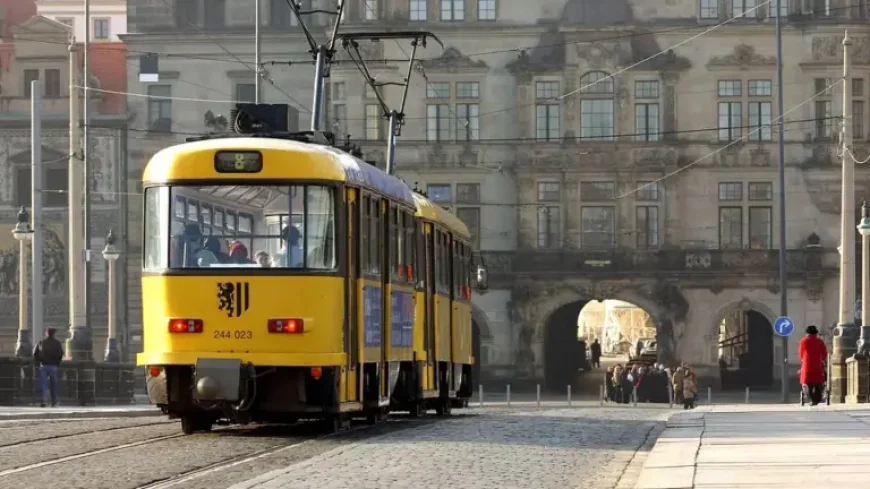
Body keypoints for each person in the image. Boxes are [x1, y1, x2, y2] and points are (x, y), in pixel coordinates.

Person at [33, 327, 64, 407]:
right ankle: (54, 401)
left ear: (46, 333)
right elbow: (60, 354)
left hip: (43, 365)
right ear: (53, 334)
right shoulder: (57, 343)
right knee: (54, 384)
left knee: (43, 384)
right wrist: (57, 363)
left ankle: (44, 400)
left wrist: (38, 362)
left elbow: (35, 353)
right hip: (53, 366)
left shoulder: (41, 342)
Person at [799, 325, 828, 406]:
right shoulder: (820, 341)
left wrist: (802, 359)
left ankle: (812, 398)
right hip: (818, 365)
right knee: (818, 383)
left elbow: (801, 353)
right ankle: (817, 398)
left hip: (807, 365)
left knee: (808, 384)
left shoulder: (803, 341)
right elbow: (824, 353)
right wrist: (823, 359)